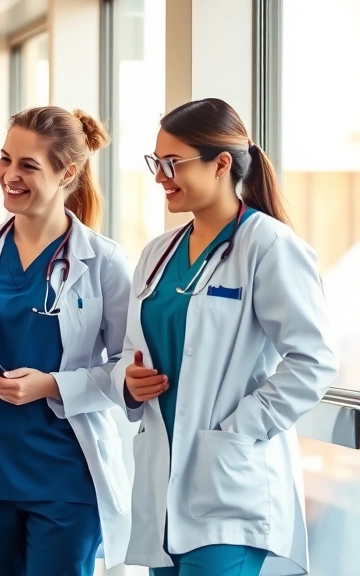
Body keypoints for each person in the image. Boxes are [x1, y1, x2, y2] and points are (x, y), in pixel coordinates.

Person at [113, 97, 338, 576]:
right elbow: (131, 349)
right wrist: (127, 381)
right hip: (165, 484)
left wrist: (240, 430)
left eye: (173, 163)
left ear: (220, 164)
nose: (159, 176)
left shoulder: (269, 246)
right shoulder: (158, 253)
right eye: (156, 162)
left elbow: (314, 360)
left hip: (229, 484)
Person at [0, 106, 133, 576]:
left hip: (65, 475)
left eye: (28, 166)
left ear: (68, 172)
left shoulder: (104, 262)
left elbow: (130, 367)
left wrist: (52, 385)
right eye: (5, 159)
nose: (9, 175)